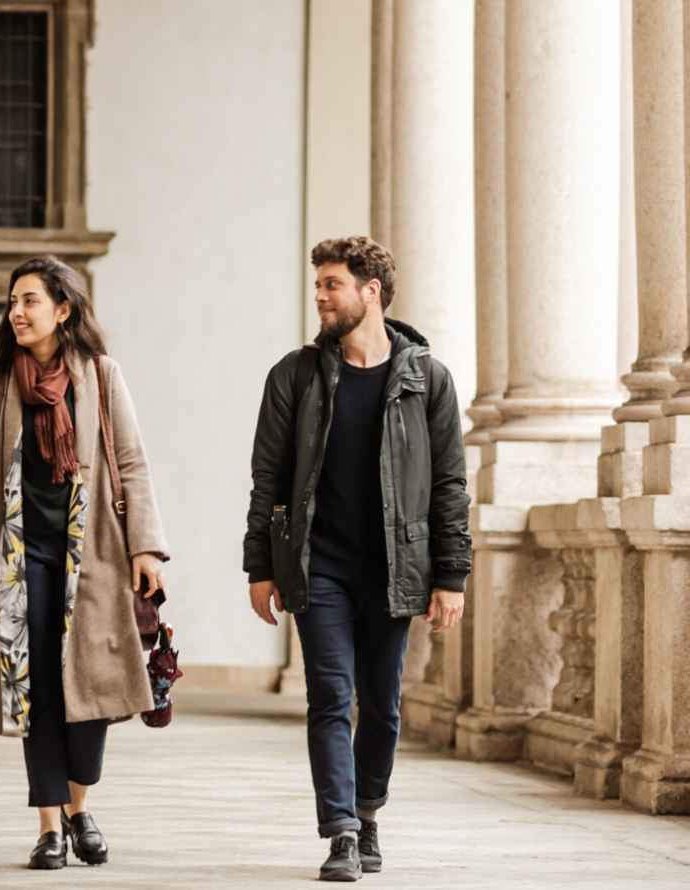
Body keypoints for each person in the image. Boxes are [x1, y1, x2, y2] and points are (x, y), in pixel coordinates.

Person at [243, 236, 471, 882]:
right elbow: (268, 476)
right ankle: (341, 831)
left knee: (383, 704)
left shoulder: (427, 379)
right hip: (320, 568)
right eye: (318, 285)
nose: (320, 296)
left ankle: (368, 810)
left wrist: (451, 573)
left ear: (371, 292)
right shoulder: (295, 375)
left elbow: (450, 484)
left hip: (395, 569)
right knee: (329, 697)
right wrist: (259, 566)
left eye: (332, 285)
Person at [0, 255, 169, 869]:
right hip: (18, 558)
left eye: (30, 300)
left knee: (89, 686)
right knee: (34, 687)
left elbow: (133, 461)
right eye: (13, 302)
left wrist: (145, 545)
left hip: (92, 556)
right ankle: (48, 827)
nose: (17, 312)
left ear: (62, 310)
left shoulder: (101, 375)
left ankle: (79, 807)